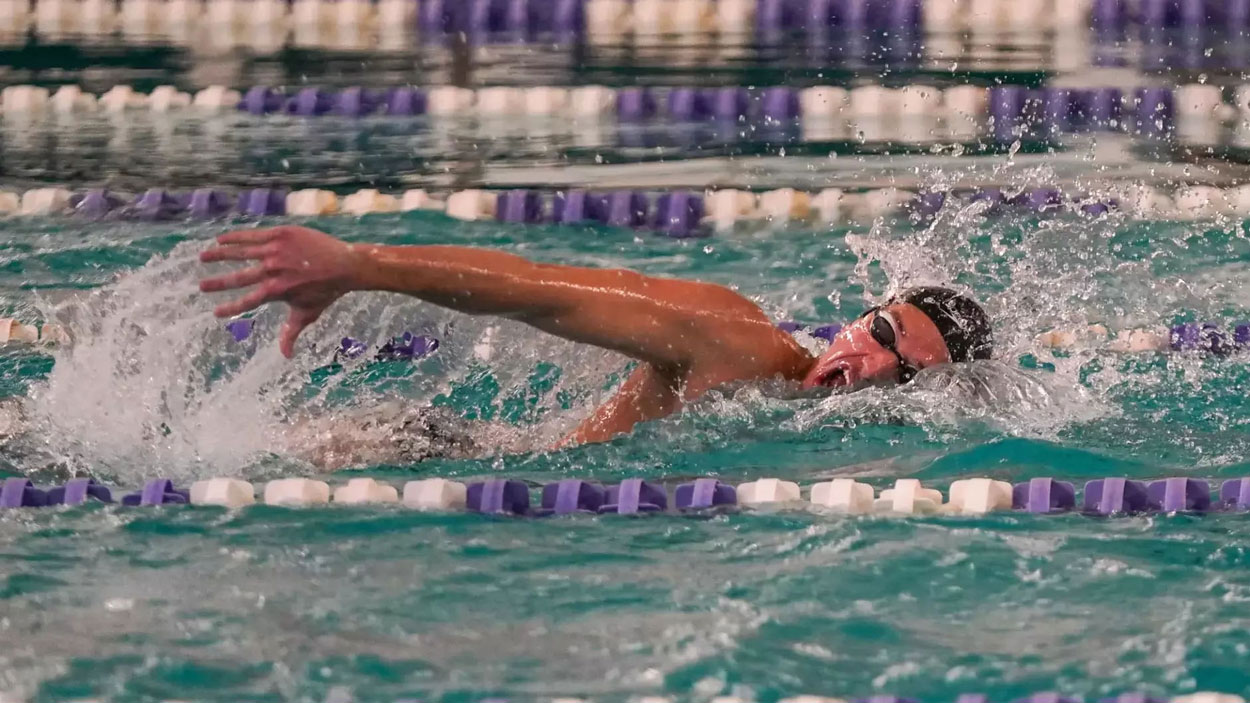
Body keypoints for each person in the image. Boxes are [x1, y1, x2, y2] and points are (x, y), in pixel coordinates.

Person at [198, 225, 994, 448]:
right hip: (422, 450)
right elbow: (538, 290)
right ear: (858, 314)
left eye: (906, 373)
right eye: (881, 330)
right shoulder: (736, 340)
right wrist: (361, 264)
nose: (869, 364)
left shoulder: (841, 445)